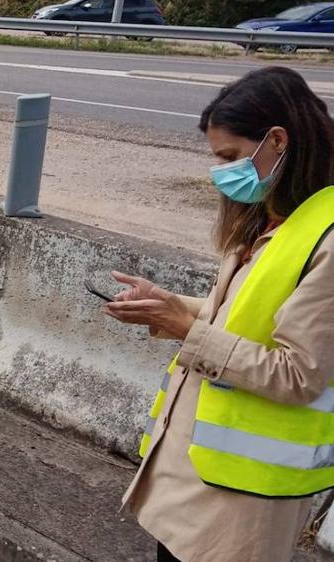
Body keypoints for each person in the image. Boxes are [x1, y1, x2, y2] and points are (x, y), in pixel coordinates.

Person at [104, 66, 334, 562]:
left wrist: (186, 329)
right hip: (193, 474)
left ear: (276, 140)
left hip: (248, 494)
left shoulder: (328, 237)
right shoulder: (273, 218)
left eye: (230, 157)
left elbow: (301, 374)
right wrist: (164, 306)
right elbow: (236, 313)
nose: (222, 173)